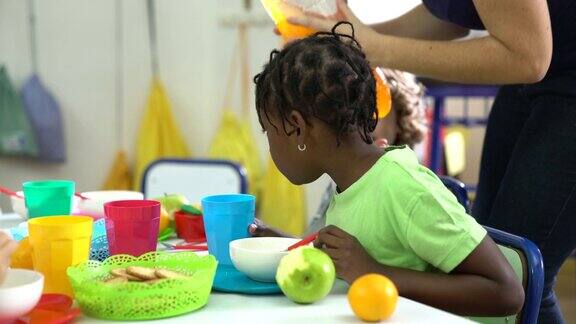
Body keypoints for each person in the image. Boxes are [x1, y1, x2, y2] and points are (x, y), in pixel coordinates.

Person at [290, 2, 576, 322]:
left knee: (522, 273)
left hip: (550, 71)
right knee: (498, 249)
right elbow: (452, 15)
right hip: (539, 77)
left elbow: (529, 58)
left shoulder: (401, 184)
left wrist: (377, 47)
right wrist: (357, 39)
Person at [252, 24, 523, 316]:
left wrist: (375, 272)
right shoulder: (350, 184)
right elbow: (360, 260)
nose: (271, 147)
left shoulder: (402, 187)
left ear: (297, 127)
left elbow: (506, 292)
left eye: (269, 132)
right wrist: (288, 244)